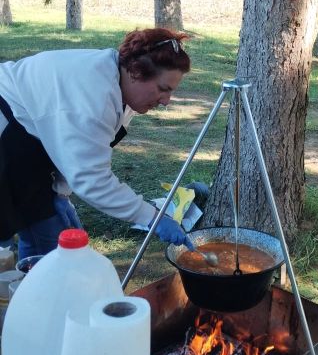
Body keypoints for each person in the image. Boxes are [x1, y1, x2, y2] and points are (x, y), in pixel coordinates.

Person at [0, 27, 197, 259]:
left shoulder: (121, 84)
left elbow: (72, 149)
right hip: (7, 134)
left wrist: (60, 193)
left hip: (30, 143)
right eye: (163, 89)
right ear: (136, 72)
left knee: (46, 236)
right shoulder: (94, 99)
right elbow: (93, 179)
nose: (166, 101)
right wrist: (152, 217)